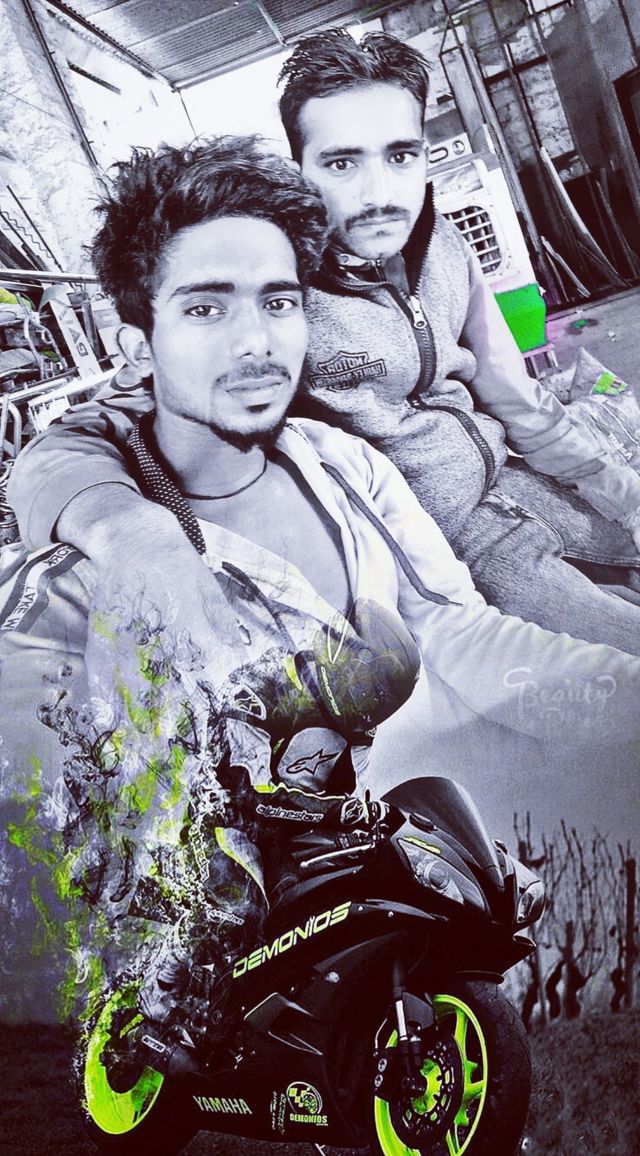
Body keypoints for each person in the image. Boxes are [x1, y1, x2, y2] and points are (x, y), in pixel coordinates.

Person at [1, 138, 639, 1042]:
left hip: (371, 878)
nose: (256, 340)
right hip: (212, 970)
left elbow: (458, 630)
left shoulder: (344, 466)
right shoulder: (83, 569)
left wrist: (622, 694)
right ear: (136, 346)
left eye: (279, 301)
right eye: (206, 307)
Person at [7, 31, 640, 656]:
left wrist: (605, 478)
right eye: (342, 163)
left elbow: (512, 395)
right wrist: (127, 531)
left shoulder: (445, 245)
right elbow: (79, 437)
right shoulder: (272, 290)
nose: (380, 195)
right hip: (442, 544)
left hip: (513, 481)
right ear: (300, 168)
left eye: (401, 156)